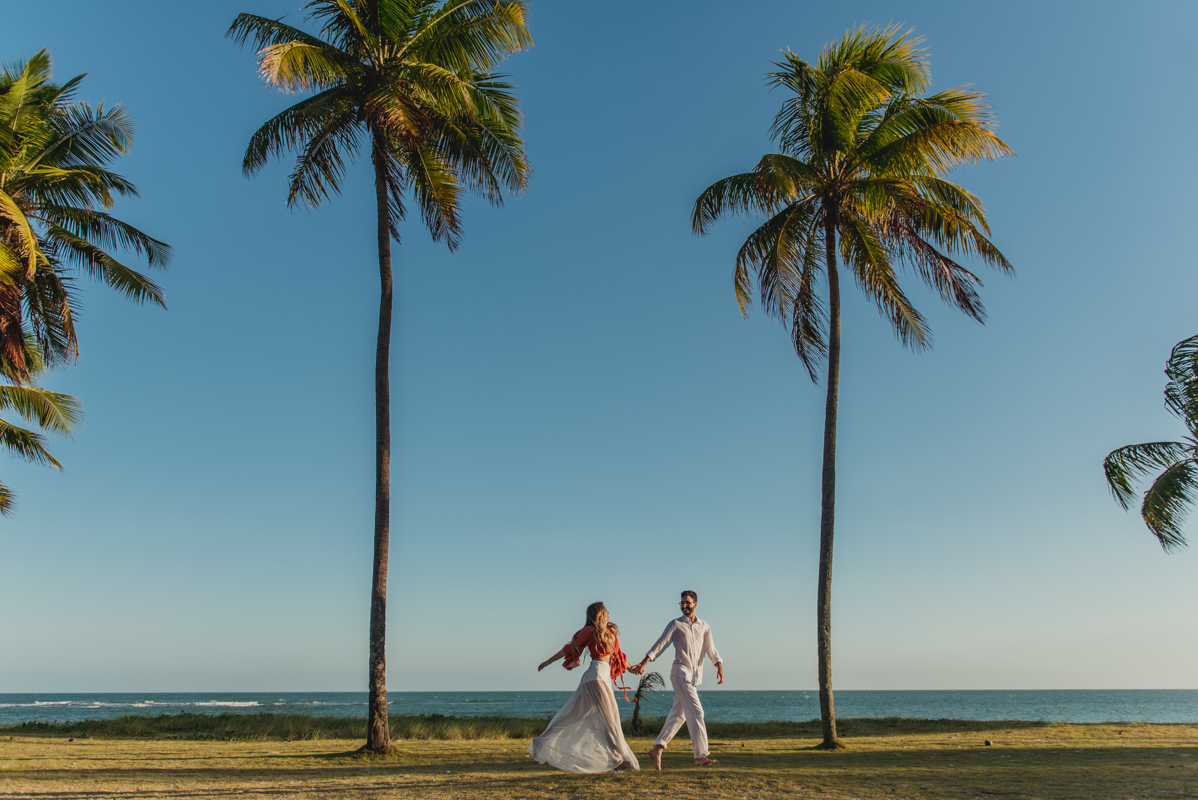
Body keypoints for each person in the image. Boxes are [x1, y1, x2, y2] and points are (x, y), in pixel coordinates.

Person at [528, 602, 640, 773]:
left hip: (602, 679)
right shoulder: (590, 631)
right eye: (606, 610)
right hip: (595, 678)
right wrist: (547, 662)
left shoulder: (610, 632)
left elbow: (618, 657)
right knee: (610, 721)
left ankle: (540, 744)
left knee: (573, 715)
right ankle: (618, 760)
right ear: (600, 614)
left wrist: (632, 668)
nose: (609, 612)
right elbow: (568, 649)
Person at [629, 590, 724, 769]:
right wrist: (643, 663)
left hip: (694, 678)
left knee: (678, 716)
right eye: (682, 603)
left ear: (695, 604)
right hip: (680, 674)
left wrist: (718, 665)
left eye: (687, 603)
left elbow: (711, 649)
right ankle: (700, 755)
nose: (684, 606)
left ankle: (658, 747)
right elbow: (659, 645)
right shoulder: (675, 625)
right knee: (697, 713)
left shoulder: (704, 626)